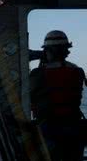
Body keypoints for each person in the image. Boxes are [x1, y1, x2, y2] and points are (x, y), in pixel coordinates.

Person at [30, 30, 86, 161]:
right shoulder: (78, 71)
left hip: (48, 129)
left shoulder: (38, 74)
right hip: (74, 129)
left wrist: (39, 57)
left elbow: (31, 94)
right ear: (67, 51)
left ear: (48, 51)